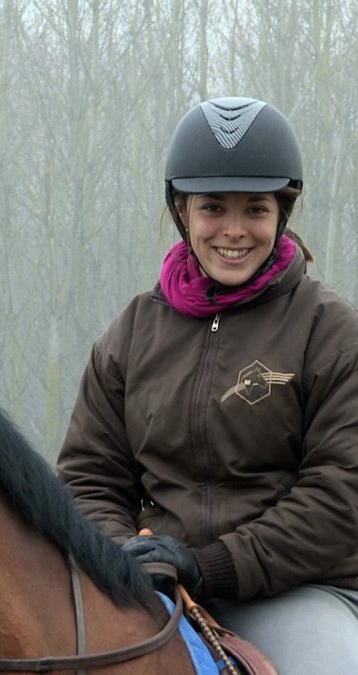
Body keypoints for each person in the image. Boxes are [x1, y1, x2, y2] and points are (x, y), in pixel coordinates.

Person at [57, 96, 358, 673]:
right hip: (153, 590)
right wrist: (127, 556)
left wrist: (208, 564)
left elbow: (339, 496)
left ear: (282, 214)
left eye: (256, 210)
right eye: (214, 208)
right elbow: (88, 477)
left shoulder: (330, 330)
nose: (234, 231)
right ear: (182, 211)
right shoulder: (132, 333)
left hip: (298, 592)